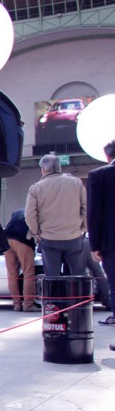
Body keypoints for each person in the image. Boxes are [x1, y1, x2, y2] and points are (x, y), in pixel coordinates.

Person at [26, 153, 87, 277]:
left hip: (49, 238)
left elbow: (29, 215)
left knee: (52, 277)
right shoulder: (76, 183)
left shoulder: (36, 188)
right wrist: (83, 228)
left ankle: (55, 297)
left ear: (43, 169)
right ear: (60, 168)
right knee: (78, 274)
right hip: (73, 236)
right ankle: (79, 296)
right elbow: (86, 208)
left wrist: (37, 232)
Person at [88, 139, 115, 325]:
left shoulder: (100, 175)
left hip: (111, 242)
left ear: (107, 156)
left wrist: (94, 245)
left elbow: (94, 212)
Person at [3, 209, 37, 312]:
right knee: (28, 272)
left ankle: (16, 305)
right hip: (22, 240)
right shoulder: (35, 212)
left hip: (6, 239)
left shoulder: (17, 212)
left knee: (12, 274)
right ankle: (28, 305)